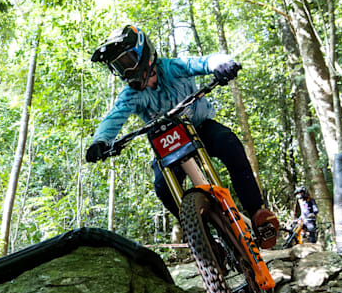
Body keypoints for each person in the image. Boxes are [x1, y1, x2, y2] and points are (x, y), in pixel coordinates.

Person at [84, 25, 281, 248]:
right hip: (167, 144)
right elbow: (113, 118)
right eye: (119, 66)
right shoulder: (130, 95)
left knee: (229, 143)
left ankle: (257, 211)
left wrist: (222, 63)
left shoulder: (172, 68)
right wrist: (100, 142)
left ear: (143, 51)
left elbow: (203, 62)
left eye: (127, 61)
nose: (126, 70)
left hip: (200, 128)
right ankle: (203, 238)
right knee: (162, 187)